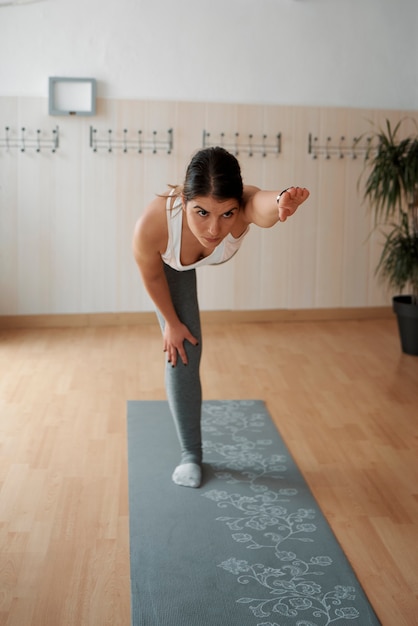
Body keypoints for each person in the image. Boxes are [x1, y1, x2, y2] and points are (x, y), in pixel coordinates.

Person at [132, 146, 309, 488]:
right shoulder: (153, 226)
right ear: (183, 200)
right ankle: (191, 456)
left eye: (226, 214)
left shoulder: (244, 207)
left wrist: (282, 201)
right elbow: (152, 276)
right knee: (183, 349)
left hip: (197, 242)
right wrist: (171, 323)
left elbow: (261, 204)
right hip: (170, 267)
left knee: (184, 342)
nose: (213, 229)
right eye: (201, 212)